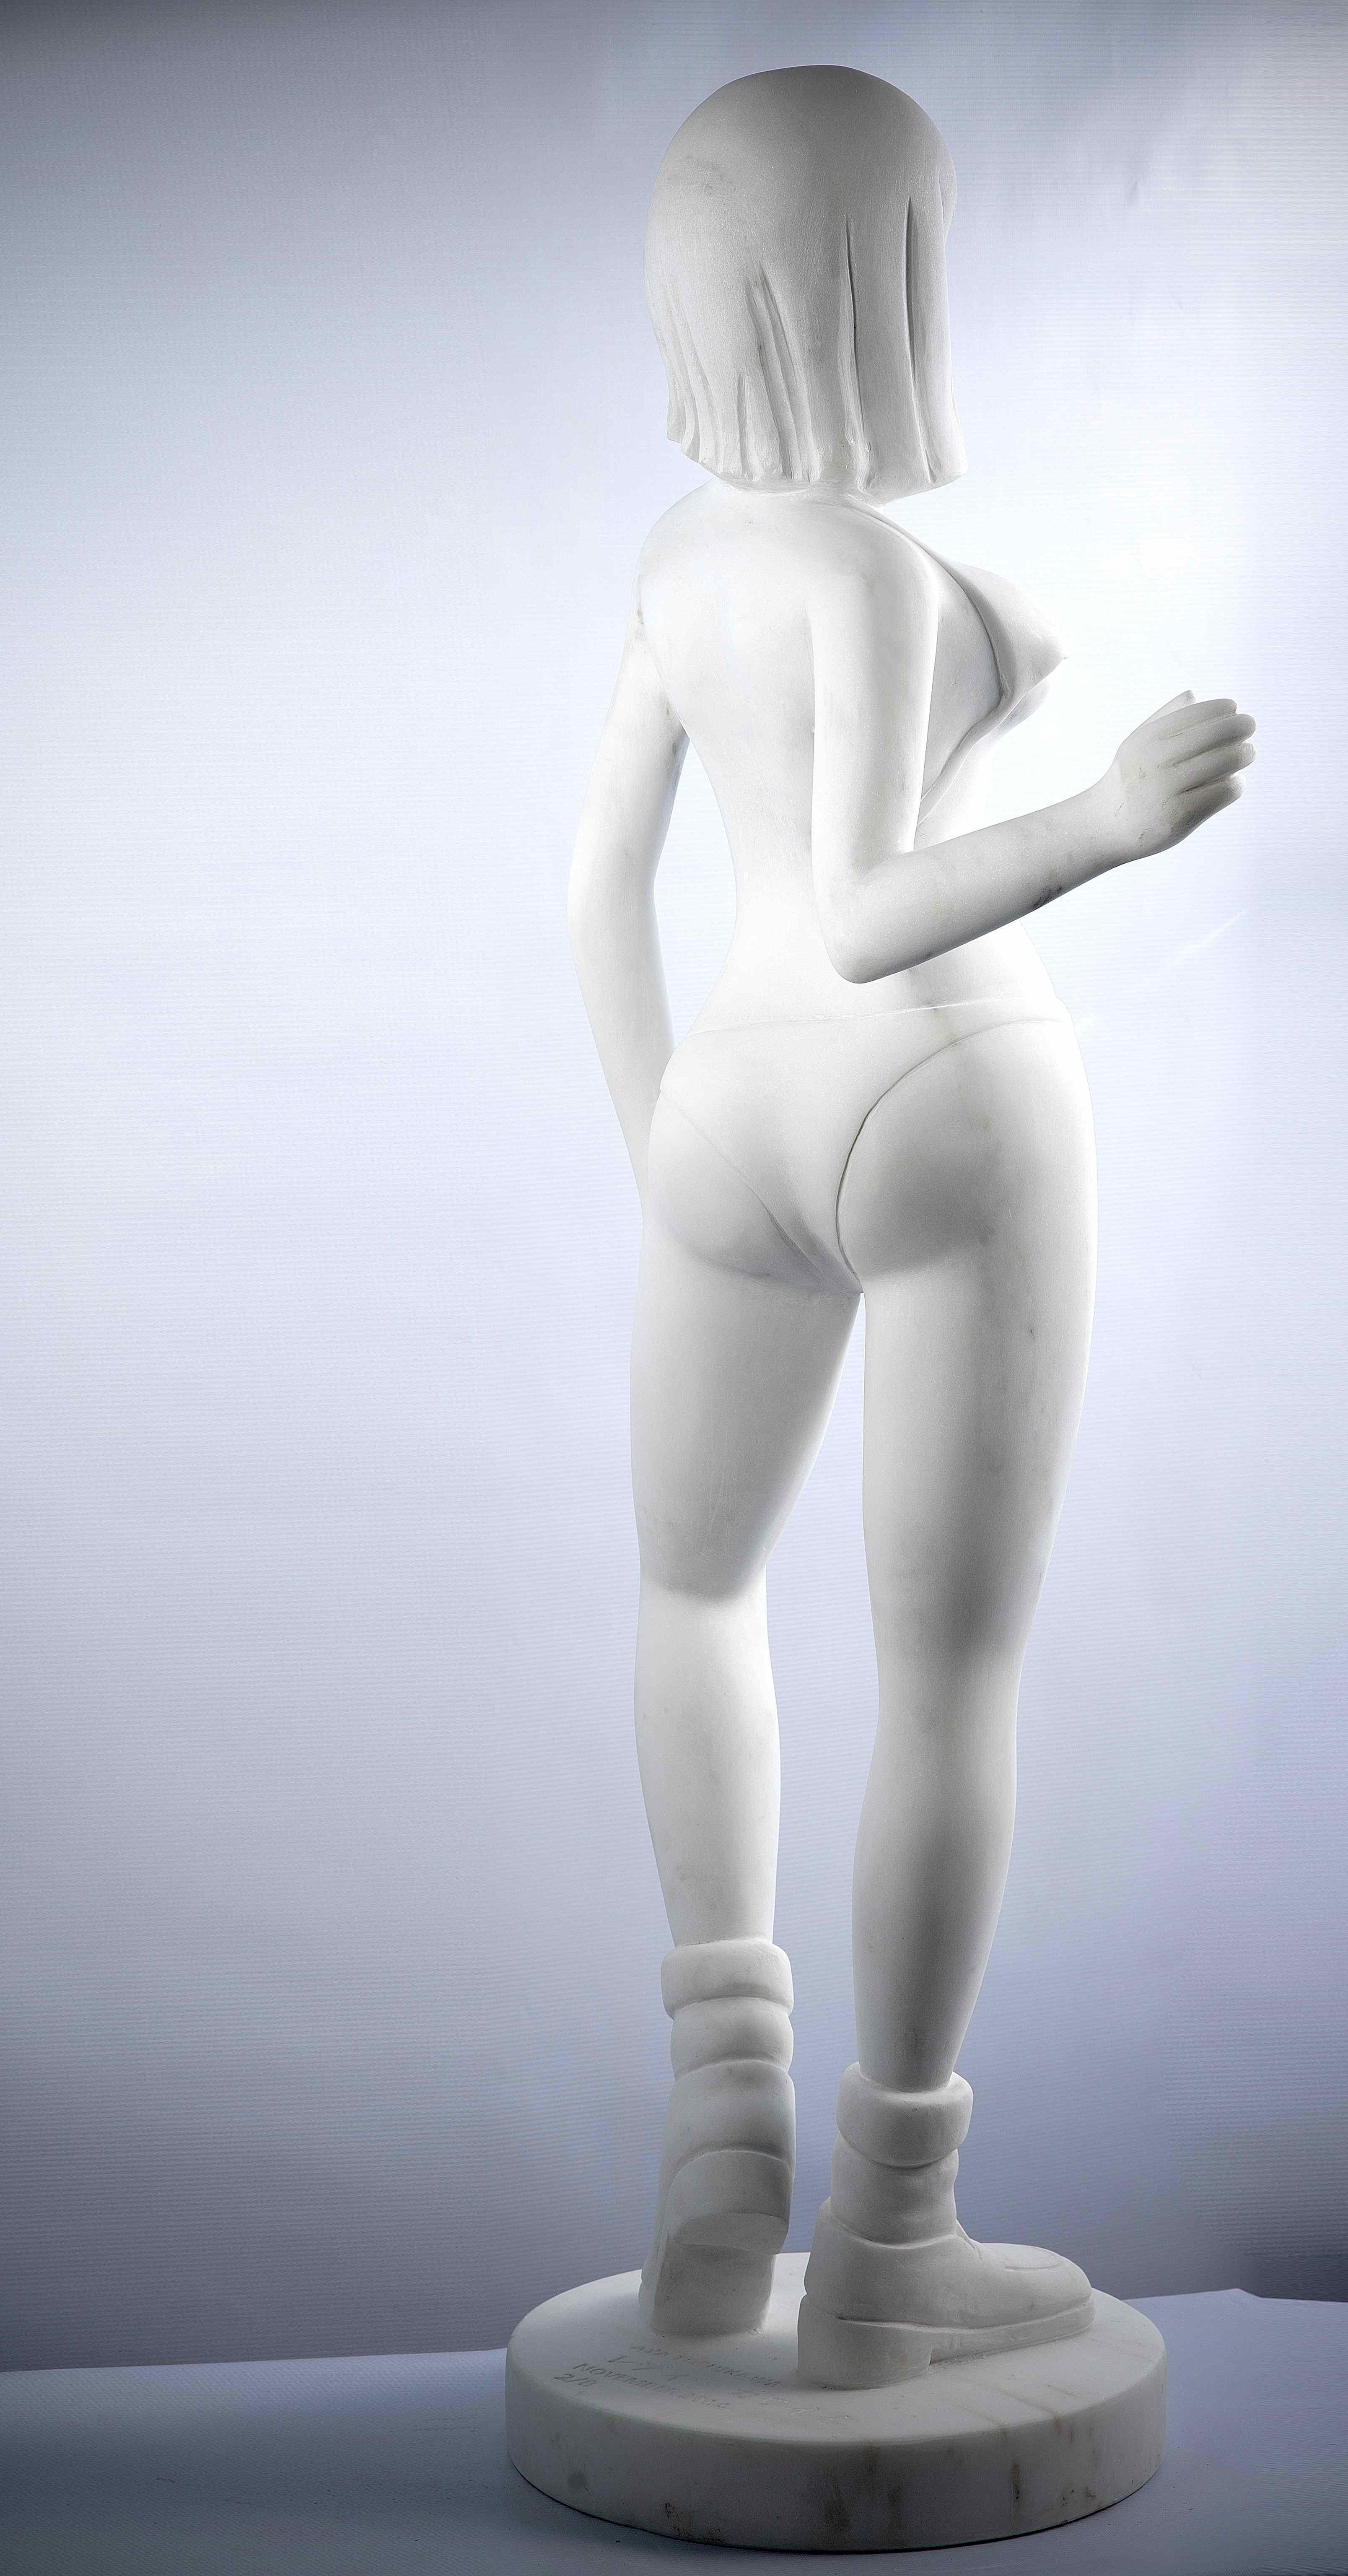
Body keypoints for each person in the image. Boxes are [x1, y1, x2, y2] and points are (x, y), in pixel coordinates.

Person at [567, 66, 1254, 2388]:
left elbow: (597, 893)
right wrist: (1112, 822)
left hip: (728, 1112)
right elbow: (870, 906)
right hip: (935, 1084)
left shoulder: (680, 560)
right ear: (890, 272)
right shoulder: (861, 568)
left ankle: (718, 2144)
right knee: (946, 1669)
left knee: (692, 1591)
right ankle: (890, 2239)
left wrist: (669, 1150)